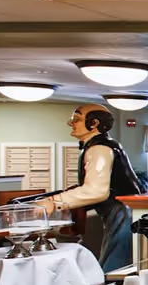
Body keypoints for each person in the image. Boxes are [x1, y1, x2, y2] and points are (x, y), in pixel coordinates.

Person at [34, 104, 142, 272]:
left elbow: (96, 191)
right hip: (120, 210)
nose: (71, 123)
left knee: (116, 267)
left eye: (76, 119)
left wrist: (54, 202)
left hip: (122, 211)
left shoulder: (99, 148)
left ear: (94, 123)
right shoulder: (100, 145)